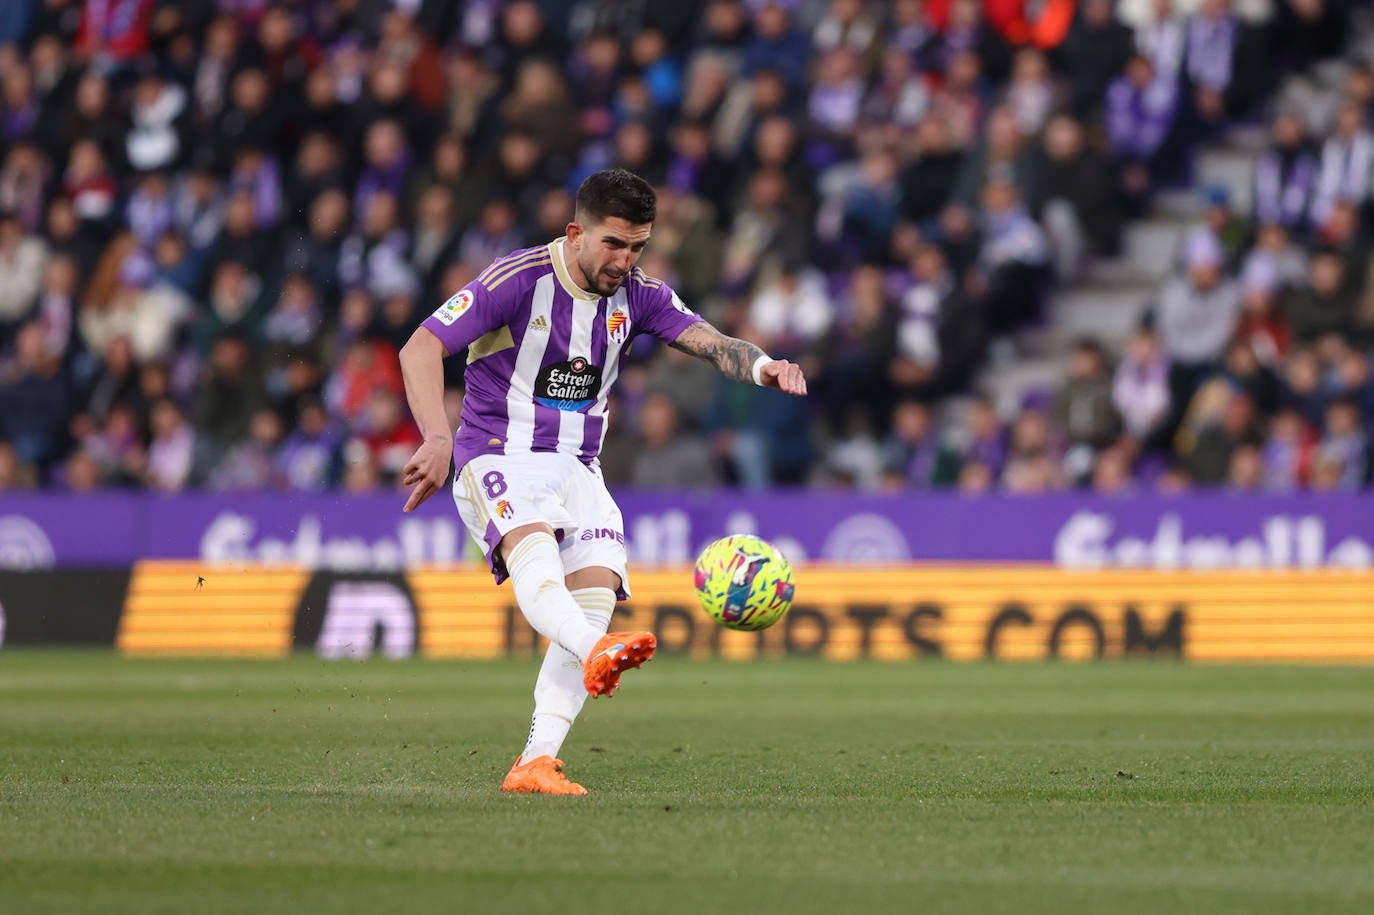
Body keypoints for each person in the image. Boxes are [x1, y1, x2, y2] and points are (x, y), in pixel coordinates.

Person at [397, 168, 807, 795]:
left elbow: (711, 341)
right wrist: (435, 435)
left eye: (638, 246)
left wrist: (763, 367)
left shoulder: (638, 294)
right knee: (539, 569)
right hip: (498, 454)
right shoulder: (517, 280)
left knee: (590, 594)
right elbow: (420, 347)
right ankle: (596, 648)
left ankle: (536, 761)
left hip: (580, 468)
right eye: (614, 244)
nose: (625, 260)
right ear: (576, 232)